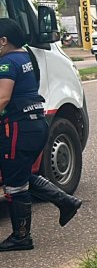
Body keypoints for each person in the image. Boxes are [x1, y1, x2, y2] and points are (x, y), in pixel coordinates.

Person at [0, 18, 82, 251]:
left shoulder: (6, 63)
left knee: (15, 184)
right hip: (36, 123)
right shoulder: (27, 57)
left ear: (3, 41)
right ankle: (65, 201)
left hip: (17, 128)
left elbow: (3, 97)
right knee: (20, 173)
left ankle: (21, 237)